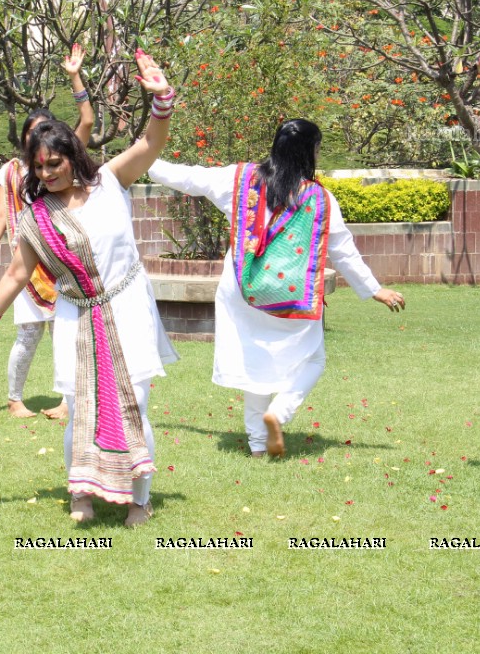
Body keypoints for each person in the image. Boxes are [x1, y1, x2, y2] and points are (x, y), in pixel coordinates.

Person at [0, 50, 177, 529]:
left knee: (136, 403)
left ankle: (139, 500)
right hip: (76, 315)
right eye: (39, 167)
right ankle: (82, 494)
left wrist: (162, 99)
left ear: (73, 157)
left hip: (128, 309)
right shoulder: (35, 218)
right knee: (80, 408)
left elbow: (151, 145)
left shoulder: (111, 183)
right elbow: (15, 274)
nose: (47, 173)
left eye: (55, 163)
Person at [147, 120, 405, 458]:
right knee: (313, 360)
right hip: (291, 297)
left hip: (243, 292)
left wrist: (141, 158)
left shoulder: (238, 180)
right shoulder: (320, 199)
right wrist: (374, 289)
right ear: (309, 152)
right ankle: (278, 414)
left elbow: (188, 177)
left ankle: (257, 446)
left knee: (255, 367)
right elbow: (343, 250)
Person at [0, 44, 95, 419]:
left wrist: (75, 77)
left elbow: (86, 122)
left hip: (62, 264)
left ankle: (68, 400)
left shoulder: (61, 164)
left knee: (64, 336)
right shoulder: (11, 173)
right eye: (31, 135)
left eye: (45, 134)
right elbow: (0, 216)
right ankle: (14, 399)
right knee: (27, 336)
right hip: (26, 265)